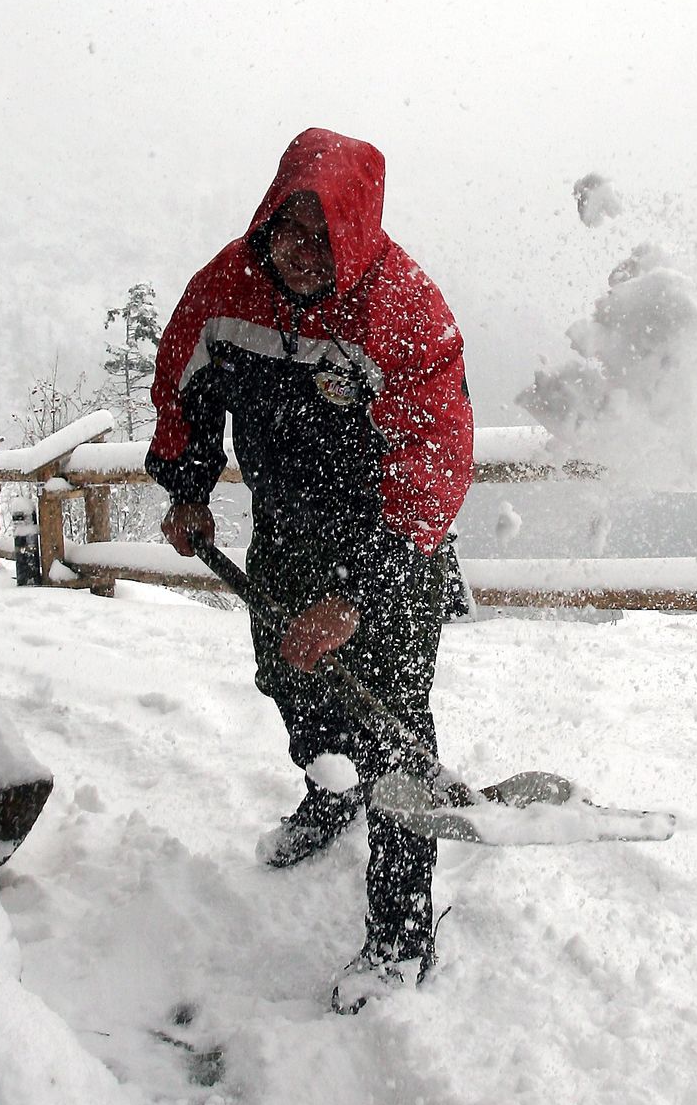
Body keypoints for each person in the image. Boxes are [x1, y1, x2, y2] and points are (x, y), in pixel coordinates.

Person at [145, 126, 473, 1012]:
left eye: (321, 237)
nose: (297, 253)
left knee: (394, 724)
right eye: (286, 229)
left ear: (355, 235)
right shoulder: (228, 287)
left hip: (390, 543)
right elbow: (186, 383)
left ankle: (402, 937)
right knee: (290, 674)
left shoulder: (401, 311)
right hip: (288, 528)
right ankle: (332, 786)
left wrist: (357, 596)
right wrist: (188, 485)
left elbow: (436, 459)